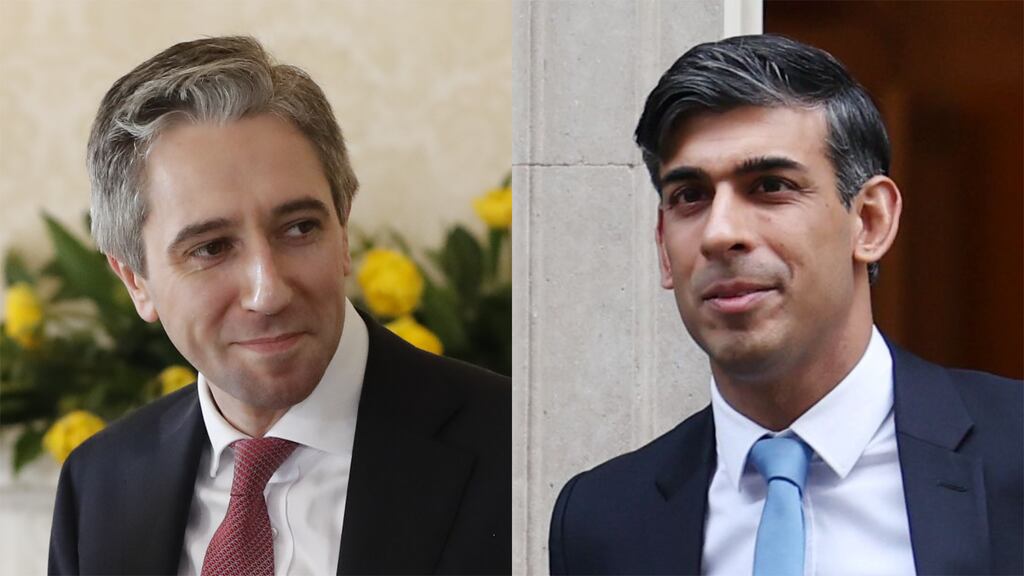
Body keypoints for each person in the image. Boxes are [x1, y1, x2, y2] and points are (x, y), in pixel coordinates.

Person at [549, 34, 1022, 576]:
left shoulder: (1012, 452)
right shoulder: (601, 518)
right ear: (662, 246)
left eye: (770, 186)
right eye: (690, 197)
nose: (719, 233)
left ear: (869, 221)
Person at [48, 36, 510, 576]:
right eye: (211, 248)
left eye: (299, 228)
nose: (268, 292)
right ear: (136, 281)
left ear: (343, 230)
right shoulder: (98, 483)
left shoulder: (513, 444)